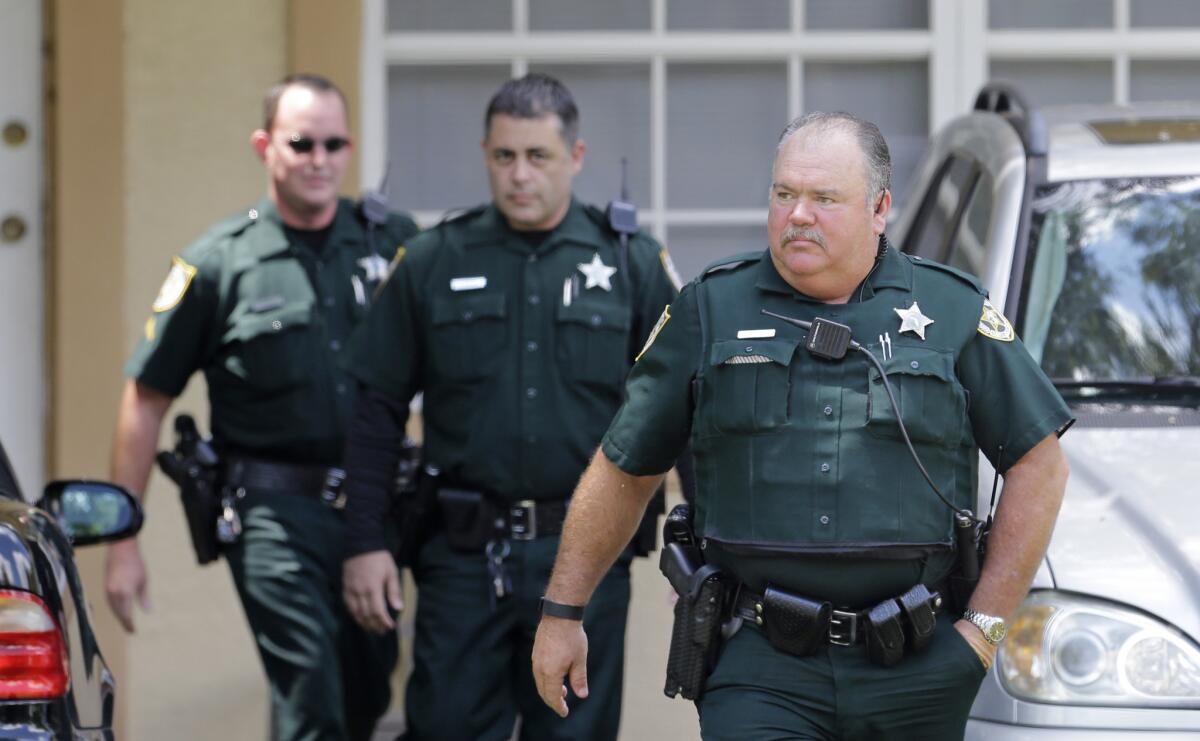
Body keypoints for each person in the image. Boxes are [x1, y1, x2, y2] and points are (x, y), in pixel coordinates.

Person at [532, 111, 1074, 740]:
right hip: (762, 664)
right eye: (784, 194)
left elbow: (1039, 463)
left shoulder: (949, 308)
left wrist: (983, 631)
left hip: (917, 665)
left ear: (879, 209)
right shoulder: (711, 308)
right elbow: (625, 468)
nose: (797, 215)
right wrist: (562, 612)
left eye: (824, 199)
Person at [339, 73, 682, 741]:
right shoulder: (434, 259)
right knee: (443, 727)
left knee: (574, 731)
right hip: (464, 556)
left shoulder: (632, 264)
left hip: (585, 554)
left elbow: (688, 408)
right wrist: (365, 543)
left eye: (538, 157)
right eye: (504, 157)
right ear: (485, 155)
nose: (519, 175)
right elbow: (375, 411)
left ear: (575, 158)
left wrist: (705, 548)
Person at [104, 73, 419, 741]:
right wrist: (123, 538)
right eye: (302, 142)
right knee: (309, 691)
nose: (320, 160)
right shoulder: (219, 262)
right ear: (264, 146)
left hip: (374, 506)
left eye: (336, 144)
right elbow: (146, 396)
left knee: (365, 690)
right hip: (272, 512)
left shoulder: (391, 242)